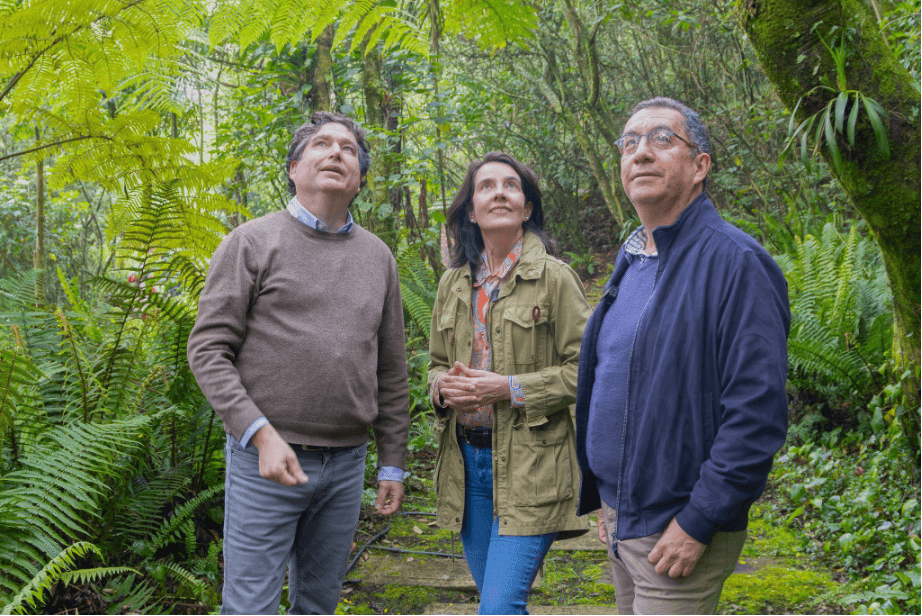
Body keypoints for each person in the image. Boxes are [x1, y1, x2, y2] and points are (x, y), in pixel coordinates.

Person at [187, 111, 409, 615]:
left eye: (348, 149)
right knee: (250, 607)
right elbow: (207, 348)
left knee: (318, 604)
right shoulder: (250, 242)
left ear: (359, 178)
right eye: (322, 145)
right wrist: (260, 435)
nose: (336, 153)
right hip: (265, 460)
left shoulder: (379, 258)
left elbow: (392, 371)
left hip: (348, 464)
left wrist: (391, 462)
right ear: (293, 167)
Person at [575, 97, 790, 615]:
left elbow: (757, 415)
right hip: (622, 514)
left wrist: (699, 519)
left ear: (700, 166)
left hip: (677, 526)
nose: (641, 153)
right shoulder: (635, 258)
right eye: (630, 143)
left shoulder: (736, 263)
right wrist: (607, 499)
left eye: (661, 139)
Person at [428, 152, 591, 615]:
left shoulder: (556, 279)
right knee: (495, 602)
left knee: (498, 606)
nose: (499, 192)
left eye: (511, 186)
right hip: (468, 466)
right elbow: (436, 365)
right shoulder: (453, 284)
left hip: (532, 466)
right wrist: (443, 389)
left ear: (526, 208)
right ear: (471, 211)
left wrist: (508, 388)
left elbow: (588, 371)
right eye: (486, 186)